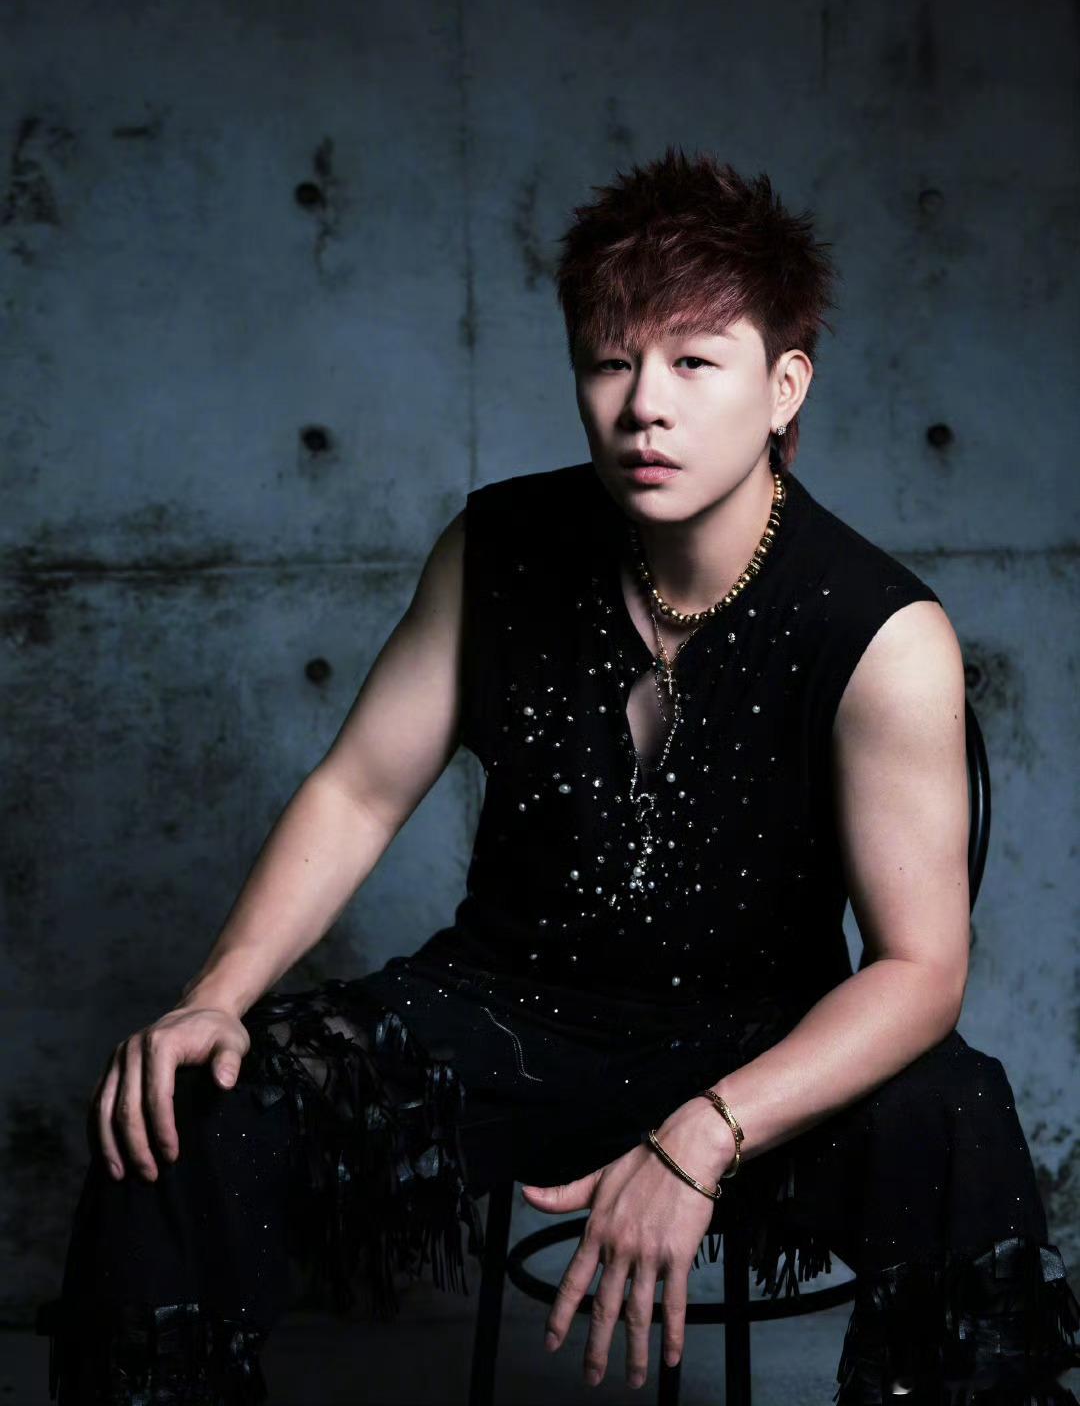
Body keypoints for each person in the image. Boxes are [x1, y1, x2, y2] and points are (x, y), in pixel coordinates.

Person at [38, 147, 1079, 1404]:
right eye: (610, 361)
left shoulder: (882, 631)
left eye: (693, 363)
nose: (645, 407)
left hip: (758, 1042)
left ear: (784, 386)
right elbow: (359, 789)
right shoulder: (498, 548)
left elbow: (921, 969)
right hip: (506, 1017)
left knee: (956, 1115)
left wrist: (703, 1137)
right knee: (187, 1108)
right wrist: (215, 996)